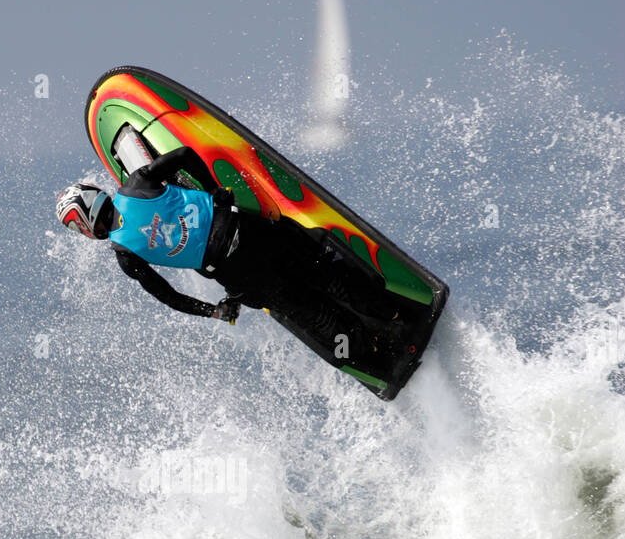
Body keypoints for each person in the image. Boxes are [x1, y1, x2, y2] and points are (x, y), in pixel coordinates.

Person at [55, 145, 405, 373]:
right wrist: (211, 190)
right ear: (95, 194)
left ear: (85, 225)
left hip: (238, 275)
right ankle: (393, 312)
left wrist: (215, 311)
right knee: (325, 273)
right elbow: (186, 154)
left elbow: (169, 297)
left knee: (314, 313)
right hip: (249, 231)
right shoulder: (136, 184)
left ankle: (378, 353)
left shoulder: (125, 256)